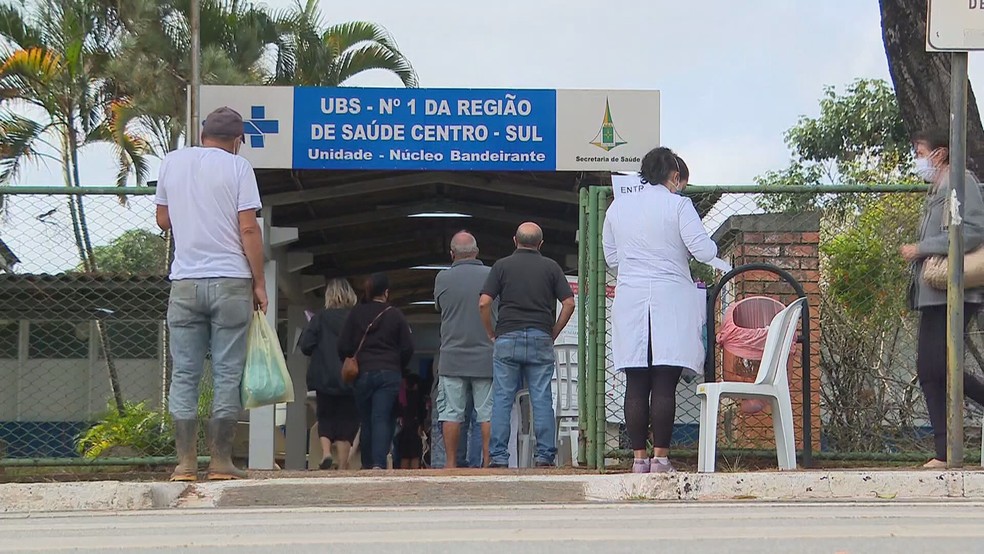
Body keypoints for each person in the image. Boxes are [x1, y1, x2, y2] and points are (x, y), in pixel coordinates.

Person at [155, 107, 267, 482]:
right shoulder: (239, 168)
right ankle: (220, 462)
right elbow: (248, 229)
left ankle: (185, 464)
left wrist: (192, 211)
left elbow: (163, 219)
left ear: (203, 133)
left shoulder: (171, 162)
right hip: (231, 282)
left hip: (185, 282)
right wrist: (259, 283)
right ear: (237, 140)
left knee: (185, 373)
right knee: (227, 372)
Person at [603, 147, 717, 473]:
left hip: (631, 299)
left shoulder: (618, 208)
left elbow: (612, 258)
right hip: (670, 300)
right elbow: (702, 249)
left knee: (636, 381)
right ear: (675, 176)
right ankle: (661, 459)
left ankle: (639, 459)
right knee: (665, 380)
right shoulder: (679, 205)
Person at [900, 129, 984, 469]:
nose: (917, 158)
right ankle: (944, 450)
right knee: (932, 368)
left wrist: (922, 248)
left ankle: (945, 451)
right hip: (935, 293)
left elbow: (974, 229)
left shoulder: (960, 181)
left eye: (921, 151)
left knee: (937, 368)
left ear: (940, 153)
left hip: (954, 290)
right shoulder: (939, 187)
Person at [480, 223, 575, 468]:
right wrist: (553, 331)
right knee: (541, 397)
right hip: (540, 336)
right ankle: (545, 456)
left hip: (507, 337)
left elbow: (484, 302)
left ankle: (499, 457)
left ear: (515, 240)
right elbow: (569, 303)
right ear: (540, 244)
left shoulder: (501, 266)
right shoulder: (551, 267)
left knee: (502, 398)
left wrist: (492, 332)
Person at [339, 273, 414, 470]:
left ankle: (366, 463)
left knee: (366, 419)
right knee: (381, 416)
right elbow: (407, 347)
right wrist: (398, 364)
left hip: (362, 372)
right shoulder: (395, 314)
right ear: (386, 292)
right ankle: (379, 463)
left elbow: (343, 345)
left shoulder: (356, 314)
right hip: (389, 372)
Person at [435, 231, 495, 467]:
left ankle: (450, 464)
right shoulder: (491, 275)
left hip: (452, 357)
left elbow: (440, 307)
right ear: (477, 252)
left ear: (452, 254)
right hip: (485, 356)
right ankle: (488, 462)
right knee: (487, 413)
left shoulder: (442, 278)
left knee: (451, 412)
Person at [299, 278, 360, 470]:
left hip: (323, 377)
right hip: (349, 378)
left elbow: (306, 345)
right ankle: (342, 465)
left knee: (325, 417)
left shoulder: (319, 318)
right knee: (346, 422)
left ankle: (326, 453)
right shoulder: (355, 319)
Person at [395, 373, 426, 469]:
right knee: (415, 455)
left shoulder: (400, 397)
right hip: (415, 427)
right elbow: (422, 412)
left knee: (404, 456)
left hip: (403, 429)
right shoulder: (419, 397)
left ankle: (403, 477)